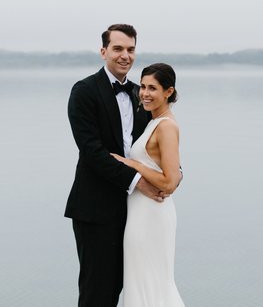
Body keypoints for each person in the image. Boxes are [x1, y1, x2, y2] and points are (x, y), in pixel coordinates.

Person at [65, 24, 173, 307]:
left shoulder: (143, 95)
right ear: (103, 52)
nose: (125, 55)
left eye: (130, 49)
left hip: (137, 211)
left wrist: (174, 176)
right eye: (118, 48)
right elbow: (92, 152)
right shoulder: (84, 91)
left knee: (134, 287)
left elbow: (159, 145)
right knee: (98, 291)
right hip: (96, 208)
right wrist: (139, 182)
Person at [111, 63, 185, 307]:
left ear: (169, 92)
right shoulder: (154, 121)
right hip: (140, 213)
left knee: (154, 282)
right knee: (140, 280)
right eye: (142, 86)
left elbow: (170, 181)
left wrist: (133, 165)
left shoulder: (167, 126)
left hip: (153, 213)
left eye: (153, 88)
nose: (144, 93)